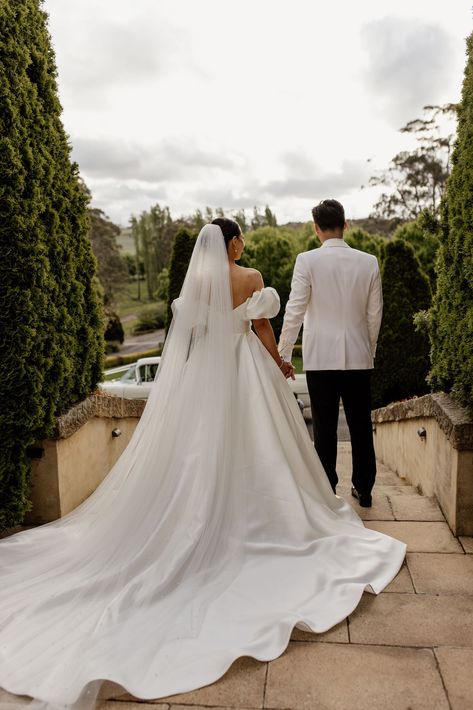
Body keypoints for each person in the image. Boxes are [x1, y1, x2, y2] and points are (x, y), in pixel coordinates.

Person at [0, 220, 405, 710]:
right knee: (265, 447)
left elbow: (190, 335)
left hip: (207, 379)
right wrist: (279, 363)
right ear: (232, 242)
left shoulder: (197, 285)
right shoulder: (251, 278)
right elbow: (261, 329)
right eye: (241, 238)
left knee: (202, 450)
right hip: (248, 372)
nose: (244, 245)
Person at [278, 199, 383, 506]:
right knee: (361, 425)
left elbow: (294, 311)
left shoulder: (307, 260)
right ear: (345, 224)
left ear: (316, 229)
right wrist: (369, 350)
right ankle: (364, 489)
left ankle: (327, 490)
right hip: (359, 356)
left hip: (320, 358)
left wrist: (283, 354)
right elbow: (375, 315)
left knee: (324, 427)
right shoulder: (369, 262)